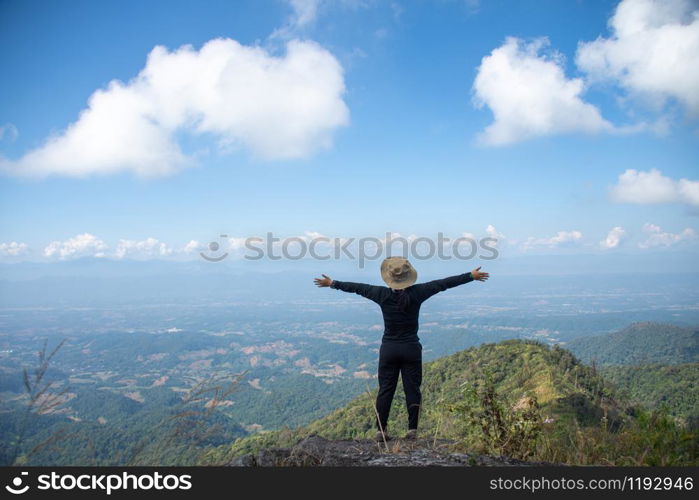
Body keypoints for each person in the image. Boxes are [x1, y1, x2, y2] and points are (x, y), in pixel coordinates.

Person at [313, 257, 489, 442]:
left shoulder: (381, 294)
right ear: (409, 276)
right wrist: (471, 276)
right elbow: (443, 284)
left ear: (389, 278)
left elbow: (358, 287)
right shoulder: (419, 292)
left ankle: (381, 431)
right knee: (412, 389)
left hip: (389, 349)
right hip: (411, 349)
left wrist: (332, 283)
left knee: (385, 390)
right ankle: (412, 430)